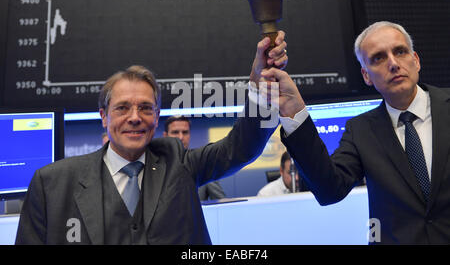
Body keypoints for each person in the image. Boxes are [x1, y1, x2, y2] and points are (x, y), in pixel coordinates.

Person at [15, 31, 288, 245]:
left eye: (145, 108)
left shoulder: (178, 163)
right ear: (104, 116)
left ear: (156, 117)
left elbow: (240, 149)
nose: (135, 117)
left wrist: (260, 89)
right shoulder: (52, 183)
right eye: (122, 108)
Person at [261, 21, 450, 244]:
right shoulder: (360, 131)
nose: (393, 63)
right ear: (366, 75)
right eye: (378, 58)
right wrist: (295, 113)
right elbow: (329, 189)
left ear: (416, 61)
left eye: (400, 51)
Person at [163, 115, 226, 200]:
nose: (181, 137)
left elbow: (221, 203)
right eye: (175, 132)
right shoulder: (154, 168)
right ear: (165, 135)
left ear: (189, 135)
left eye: (185, 132)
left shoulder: (203, 166)